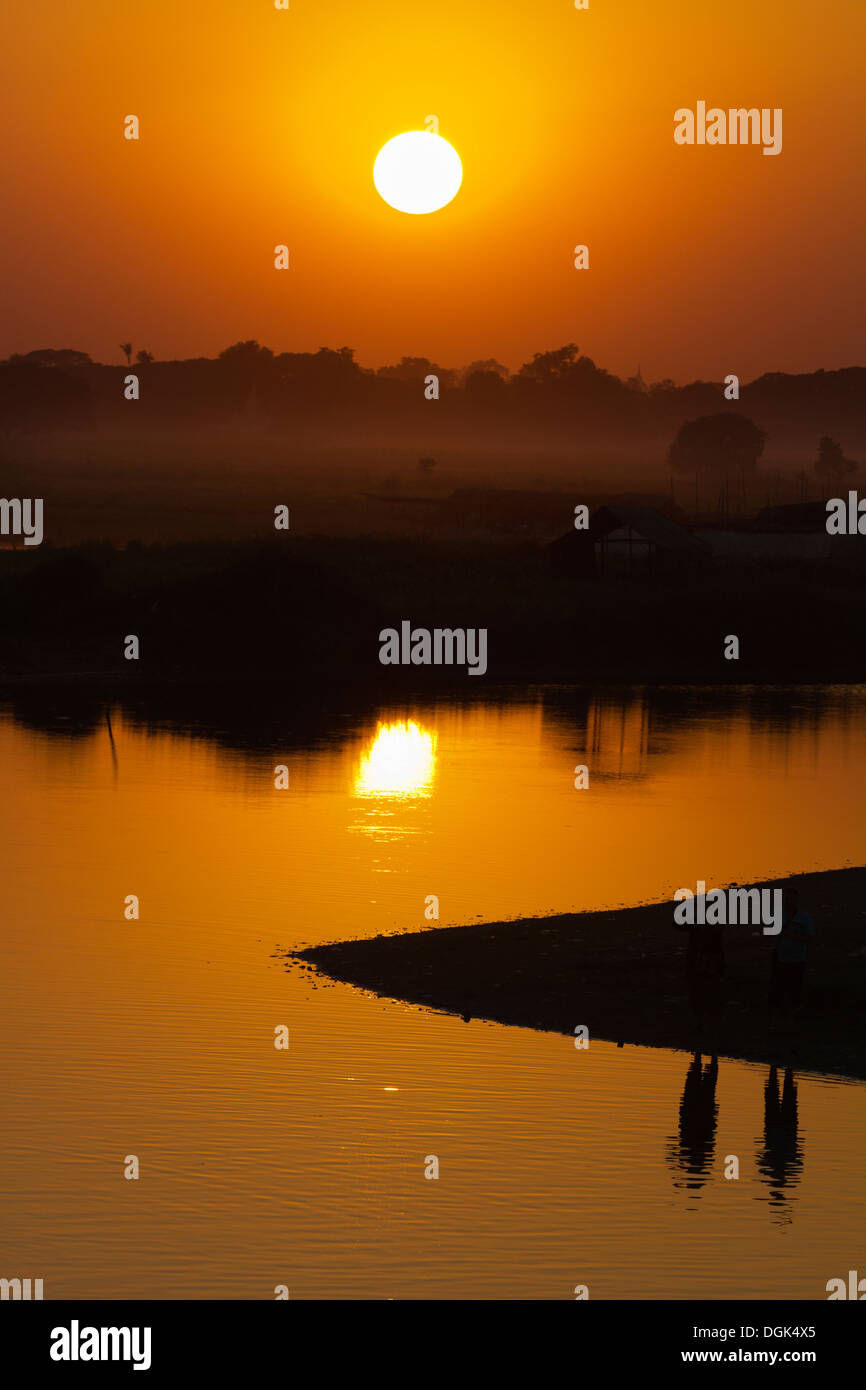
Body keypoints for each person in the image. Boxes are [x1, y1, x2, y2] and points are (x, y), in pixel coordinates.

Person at [768, 885, 813, 1023]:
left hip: (797, 958)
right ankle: (777, 1015)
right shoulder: (777, 914)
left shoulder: (804, 917)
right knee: (778, 986)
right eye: (786, 899)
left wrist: (791, 936)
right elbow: (770, 932)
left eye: (791, 899)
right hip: (780, 957)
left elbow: (810, 938)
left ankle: (794, 1014)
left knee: (795, 987)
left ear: (796, 900)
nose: (788, 901)